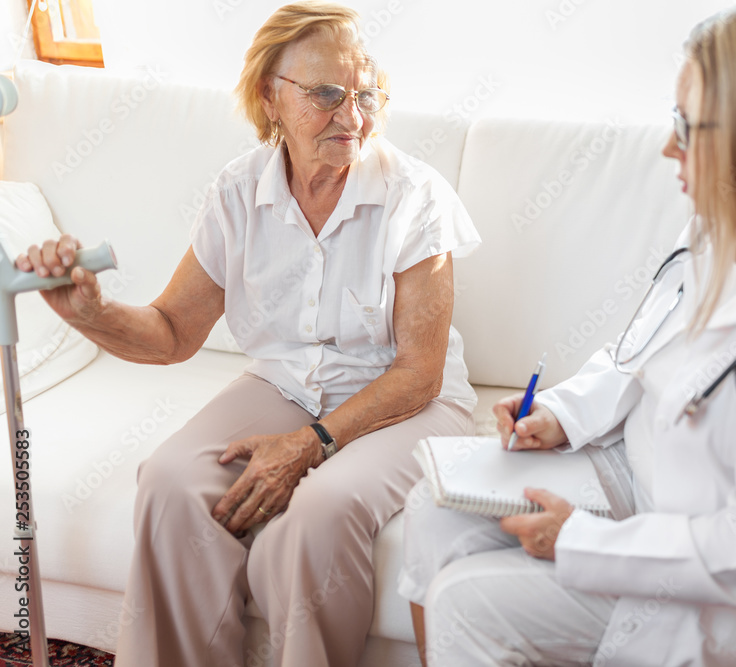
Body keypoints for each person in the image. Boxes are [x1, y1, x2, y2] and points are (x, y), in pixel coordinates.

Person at [398, 1, 736, 665]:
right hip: (644, 480)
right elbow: (642, 353)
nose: (668, 147)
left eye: (688, 126)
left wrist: (579, 542)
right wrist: (561, 413)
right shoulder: (718, 224)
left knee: (468, 600)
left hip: (735, 574)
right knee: (430, 510)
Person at [17, 2, 480, 665]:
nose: (352, 116)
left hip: (407, 401)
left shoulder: (416, 196)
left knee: (319, 514)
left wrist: (309, 445)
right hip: (287, 385)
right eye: (327, 95)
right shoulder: (237, 193)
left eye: (365, 94)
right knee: (172, 482)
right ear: (270, 95)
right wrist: (89, 312)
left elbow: (419, 370)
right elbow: (174, 330)